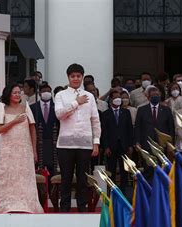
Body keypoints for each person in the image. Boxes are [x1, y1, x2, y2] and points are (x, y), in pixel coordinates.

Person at [55, 63, 101, 213]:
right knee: (66, 179)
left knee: (83, 179)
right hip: (65, 145)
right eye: (73, 76)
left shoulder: (90, 96)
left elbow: (95, 120)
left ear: (82, 77)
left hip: (85, 144)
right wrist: (76, 102)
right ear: (68, 77)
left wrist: (96, 142)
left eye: (78, 76)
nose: (75, 79)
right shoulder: (61, 95)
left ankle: (83, 209)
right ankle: (64, 210)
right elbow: (59, 114)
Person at [0, 83, 43, 213]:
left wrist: (34, 150)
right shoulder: (1, 107)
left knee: (25, 177)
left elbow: (32, 129)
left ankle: (28, 205)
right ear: (8, 94)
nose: (17, 95)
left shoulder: (26, 107)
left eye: (19, 92)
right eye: (14, 92)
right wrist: (15, 121)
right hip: (8, 150)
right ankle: (6, 205)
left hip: (24, 150)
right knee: (8, 177)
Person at [101, 90, 133, 193]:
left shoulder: (126, 112)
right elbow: (104, 132)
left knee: (124, 170)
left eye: (119, 97)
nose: (119, 99)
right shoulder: (105, 114)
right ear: (111, 100)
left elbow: (130, 129)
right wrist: (106, 147)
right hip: (111, 146)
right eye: (116, 97)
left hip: (124, 145)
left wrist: (130, 145)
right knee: (111, 169)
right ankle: (112, 190)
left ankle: (124, 191)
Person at [30, 83, 59, 177]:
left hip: (53, 141)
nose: (46, 93)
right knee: (38, 168)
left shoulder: (57, 107)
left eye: (48, 91)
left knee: (53, 169)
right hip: (38, 142)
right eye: (44, 91)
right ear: (39, 93)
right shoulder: (33, 108)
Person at [134, 85, 175, 151]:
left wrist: (171, 142)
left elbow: (171, 127)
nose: (155, 96)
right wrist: (137, 142)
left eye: (157, 94)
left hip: (162, 144)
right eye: (153, 95)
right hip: (146, 144)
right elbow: (138, 127)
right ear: (148, 97)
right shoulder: (141, 110)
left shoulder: (166, 110)